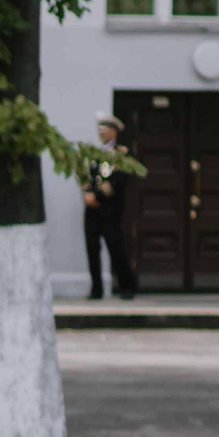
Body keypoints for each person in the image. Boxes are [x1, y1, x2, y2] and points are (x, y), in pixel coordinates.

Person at [81, 113, 138, 301]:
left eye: (104, 132)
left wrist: (97, 196)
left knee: (116, 248)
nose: (101, 135)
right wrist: (87, 194)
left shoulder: (121, 154)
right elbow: (85, 176)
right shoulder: (93, 154)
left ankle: (127, 286)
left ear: (113, 132)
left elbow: (119, 180)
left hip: (110, 210)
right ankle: (96, 289)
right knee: (91, 249)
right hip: (92, 210)